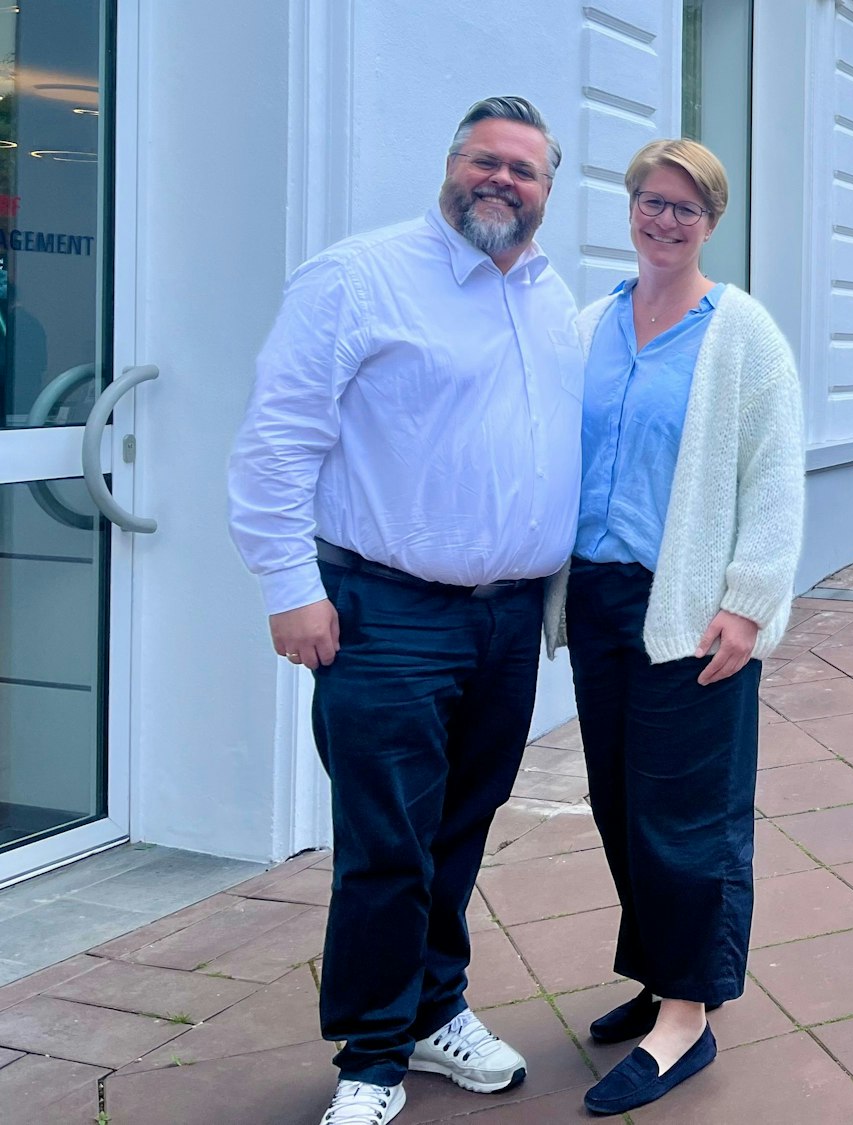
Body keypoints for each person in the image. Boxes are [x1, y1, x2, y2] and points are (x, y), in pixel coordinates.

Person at [227, 96, 584, 1125]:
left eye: (524, 170)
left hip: (508, 620)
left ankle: (435, 1011)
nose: (501, 181)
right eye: (486, 160)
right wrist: (289, 587)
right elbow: (276, 440)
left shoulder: (554, 298)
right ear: (450, 166)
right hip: (384, 612)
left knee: (459, 829)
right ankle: (373, 1059)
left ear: (547, 192)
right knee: (386, 842)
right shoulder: (360, 276)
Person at [542, 137, 803, 1117]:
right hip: (599, 601)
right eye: (649, 202)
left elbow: (773, 482)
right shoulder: (588, 326)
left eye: (683, 208)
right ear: (629, 209)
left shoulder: (739, 336)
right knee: (618, 801)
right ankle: (658, 974)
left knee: (687, 813)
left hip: (691, 610)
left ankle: (685, 1018)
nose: (662, 220)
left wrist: (747, 606)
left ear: (710, 222)